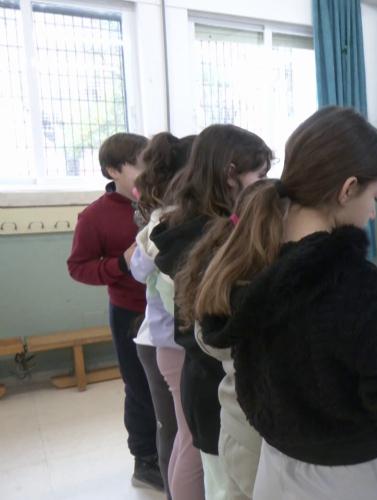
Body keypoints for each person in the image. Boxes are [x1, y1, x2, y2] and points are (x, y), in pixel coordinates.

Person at [187, 106, 377, 499]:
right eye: (375, 197)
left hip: (274, 469)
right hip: (346, 482)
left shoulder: (256, 265)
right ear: (347, 188)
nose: (372, 213)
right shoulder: (361, 291)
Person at [150, 124, 272, 499]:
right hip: (213, 385)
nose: (265, 186)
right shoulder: (206, 240)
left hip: (204, 380)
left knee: (216, 474)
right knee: (223, 483)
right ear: (230, 175)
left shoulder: (187, 227)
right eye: (260, 176)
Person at [66, 132, 163, 490]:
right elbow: (78, 267)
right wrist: (119, 265)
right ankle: (145, 460)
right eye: (139, 163)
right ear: (113, 170)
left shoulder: (161, 202)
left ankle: (172, 450)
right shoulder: (94, 217)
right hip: (130, 313)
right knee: (139, 388)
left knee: (171, 384)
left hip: (168, 309)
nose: (148, 170)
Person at [129, 132, 203, 500]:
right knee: (184, 436)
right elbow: (140, 268)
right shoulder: (171, 222)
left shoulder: (160, 220)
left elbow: (138, 269)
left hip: (163, 339)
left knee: (179, 433)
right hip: (171, 340)